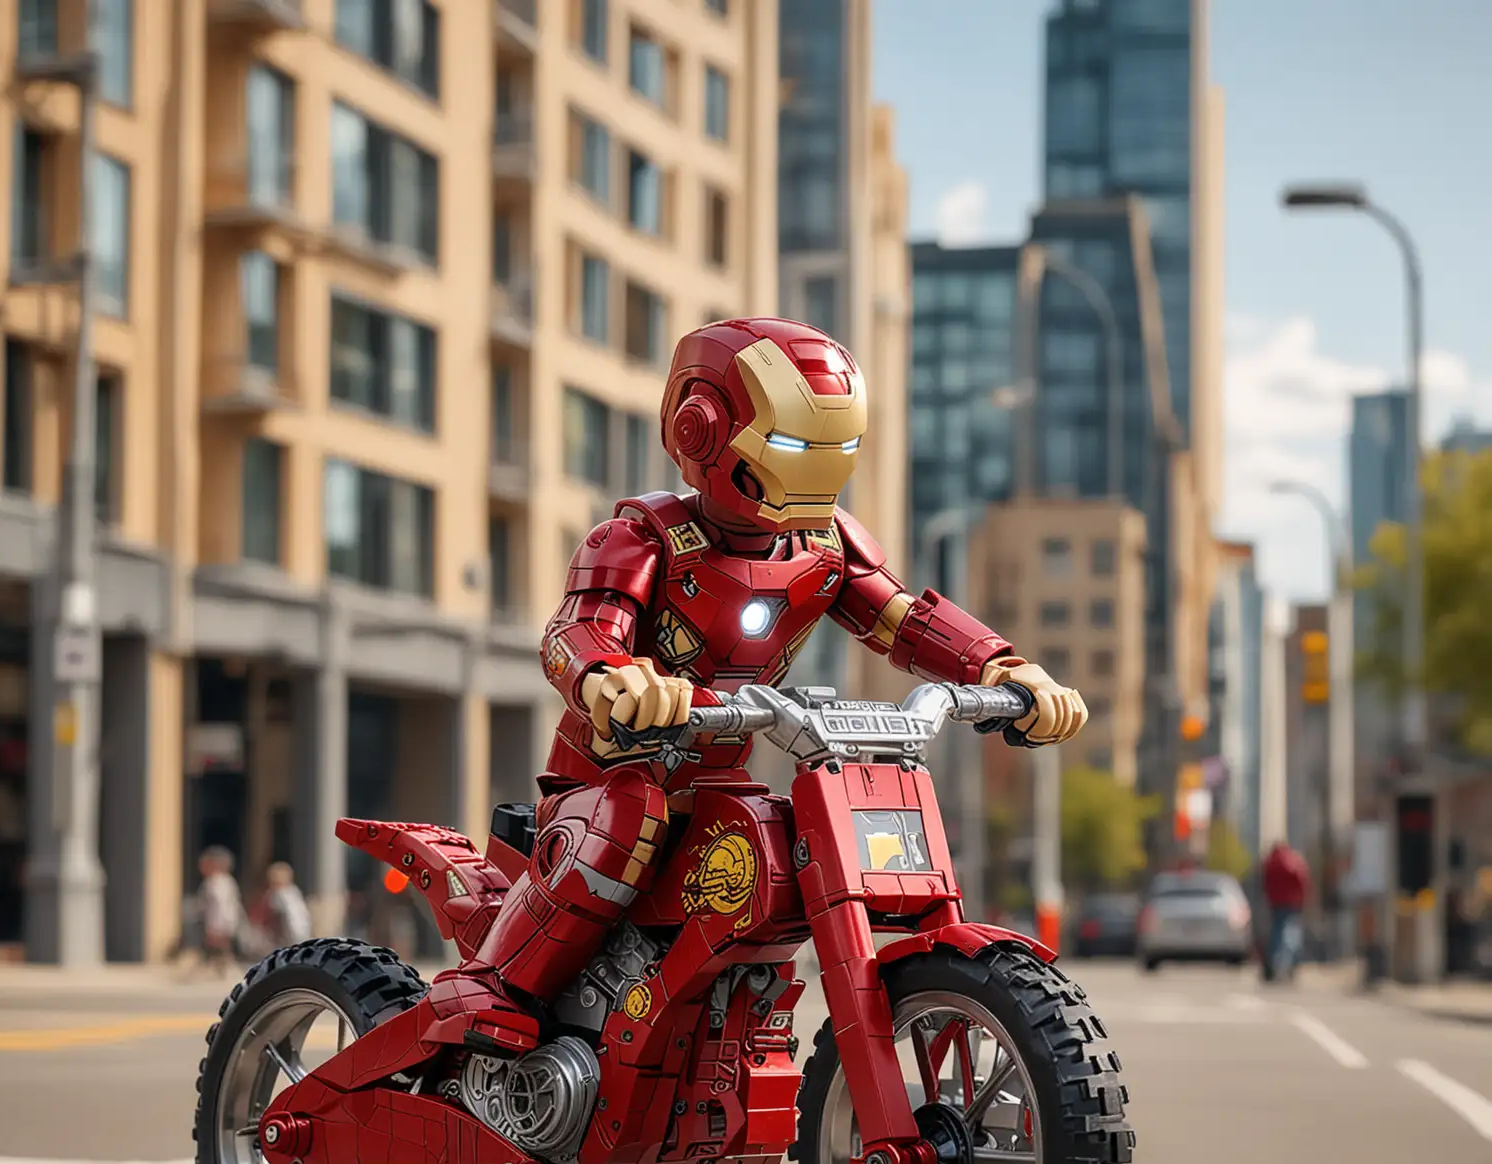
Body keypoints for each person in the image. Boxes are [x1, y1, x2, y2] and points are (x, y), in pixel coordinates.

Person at [436, 317, 1090, 1055]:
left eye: (836, 450)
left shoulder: (825, 547)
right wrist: (615, 678)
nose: (816, 470)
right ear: (703, 430)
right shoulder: (640, 541)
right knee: (629, 811)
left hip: (722, 779)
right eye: (791, 447)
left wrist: (1000, 667)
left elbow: (904, 622)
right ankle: (496, 987)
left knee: (785, 837)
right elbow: (575, 631)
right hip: (608, 773)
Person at [1261, 841, 1310, 981]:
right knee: (1291, 934)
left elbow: (1265, 883)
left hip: (1276, 903)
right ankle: (1289, 964)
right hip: (1292, 903)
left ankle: (1275, 964)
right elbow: (1301, 878)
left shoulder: (1270, 862)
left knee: (1277, 933)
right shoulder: (1292, 859)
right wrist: (1303, 898)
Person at [195, 845, 245, 976]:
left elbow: (220, 906)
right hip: (221, 922)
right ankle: (219, 969)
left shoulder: (217, 883)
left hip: (218, 922)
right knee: (218, 950)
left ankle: (219, 969)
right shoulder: (225, 881)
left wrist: (216, 926)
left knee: (218, 949)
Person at [252, 861, 312, 952]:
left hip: (290, 936)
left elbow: (278, 918)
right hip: (293, 936)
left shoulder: (284, 894)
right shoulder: (289, 892)